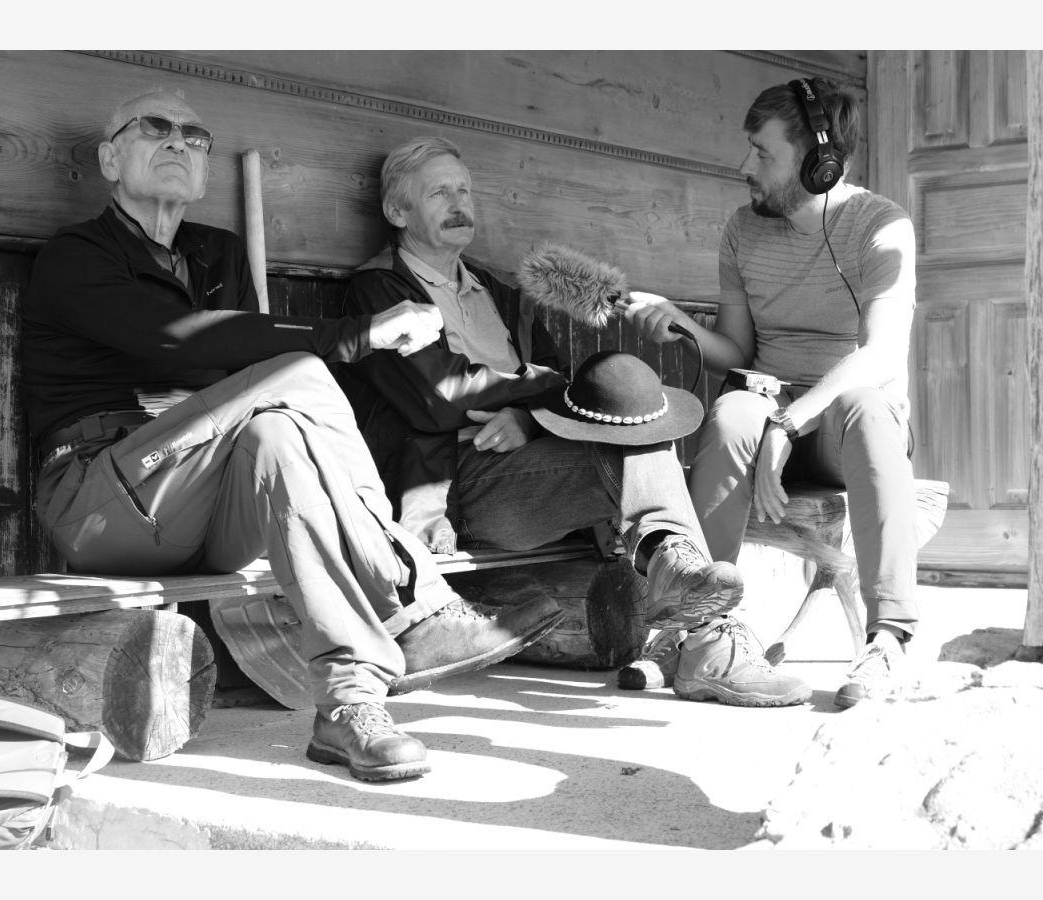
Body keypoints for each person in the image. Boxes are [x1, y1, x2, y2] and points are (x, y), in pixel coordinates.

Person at [19, 89, 566, 783]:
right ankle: (415, 603)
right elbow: (174, 340)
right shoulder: (77, 256)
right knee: (299, 375)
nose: (178, 141)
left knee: (280, 433)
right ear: (108, 159)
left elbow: (240, 370)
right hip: (101, 496)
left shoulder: (216, 256)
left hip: (205, 499)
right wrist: (356, 334)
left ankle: (348, 701)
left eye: (195, 134)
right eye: (154, 128)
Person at [340, 136, 811, 708]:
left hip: (530, 471)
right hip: (454, 485)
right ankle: (700, 624)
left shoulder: (497, 292)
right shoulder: (376, 291)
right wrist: (536, 401)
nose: (459, 203)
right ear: (398, 212)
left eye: (465, 190)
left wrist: (529, 420)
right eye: (440, 193)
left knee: (642, 429)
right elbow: (437, 396)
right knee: (631, 440)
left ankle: (685, 590)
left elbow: (563, 388)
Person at [621, 77, 919, 708]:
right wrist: (681, 323)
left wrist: (791, 423)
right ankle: (695, 631)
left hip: (844, 427)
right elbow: (736, 350)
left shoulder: (882, 227)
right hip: (768, 409)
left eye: (762, 153)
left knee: (865, 404)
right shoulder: (743, 230)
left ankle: (889, 639)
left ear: (819, 161)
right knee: (732, 413)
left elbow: (880, 354)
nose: (744, 166)